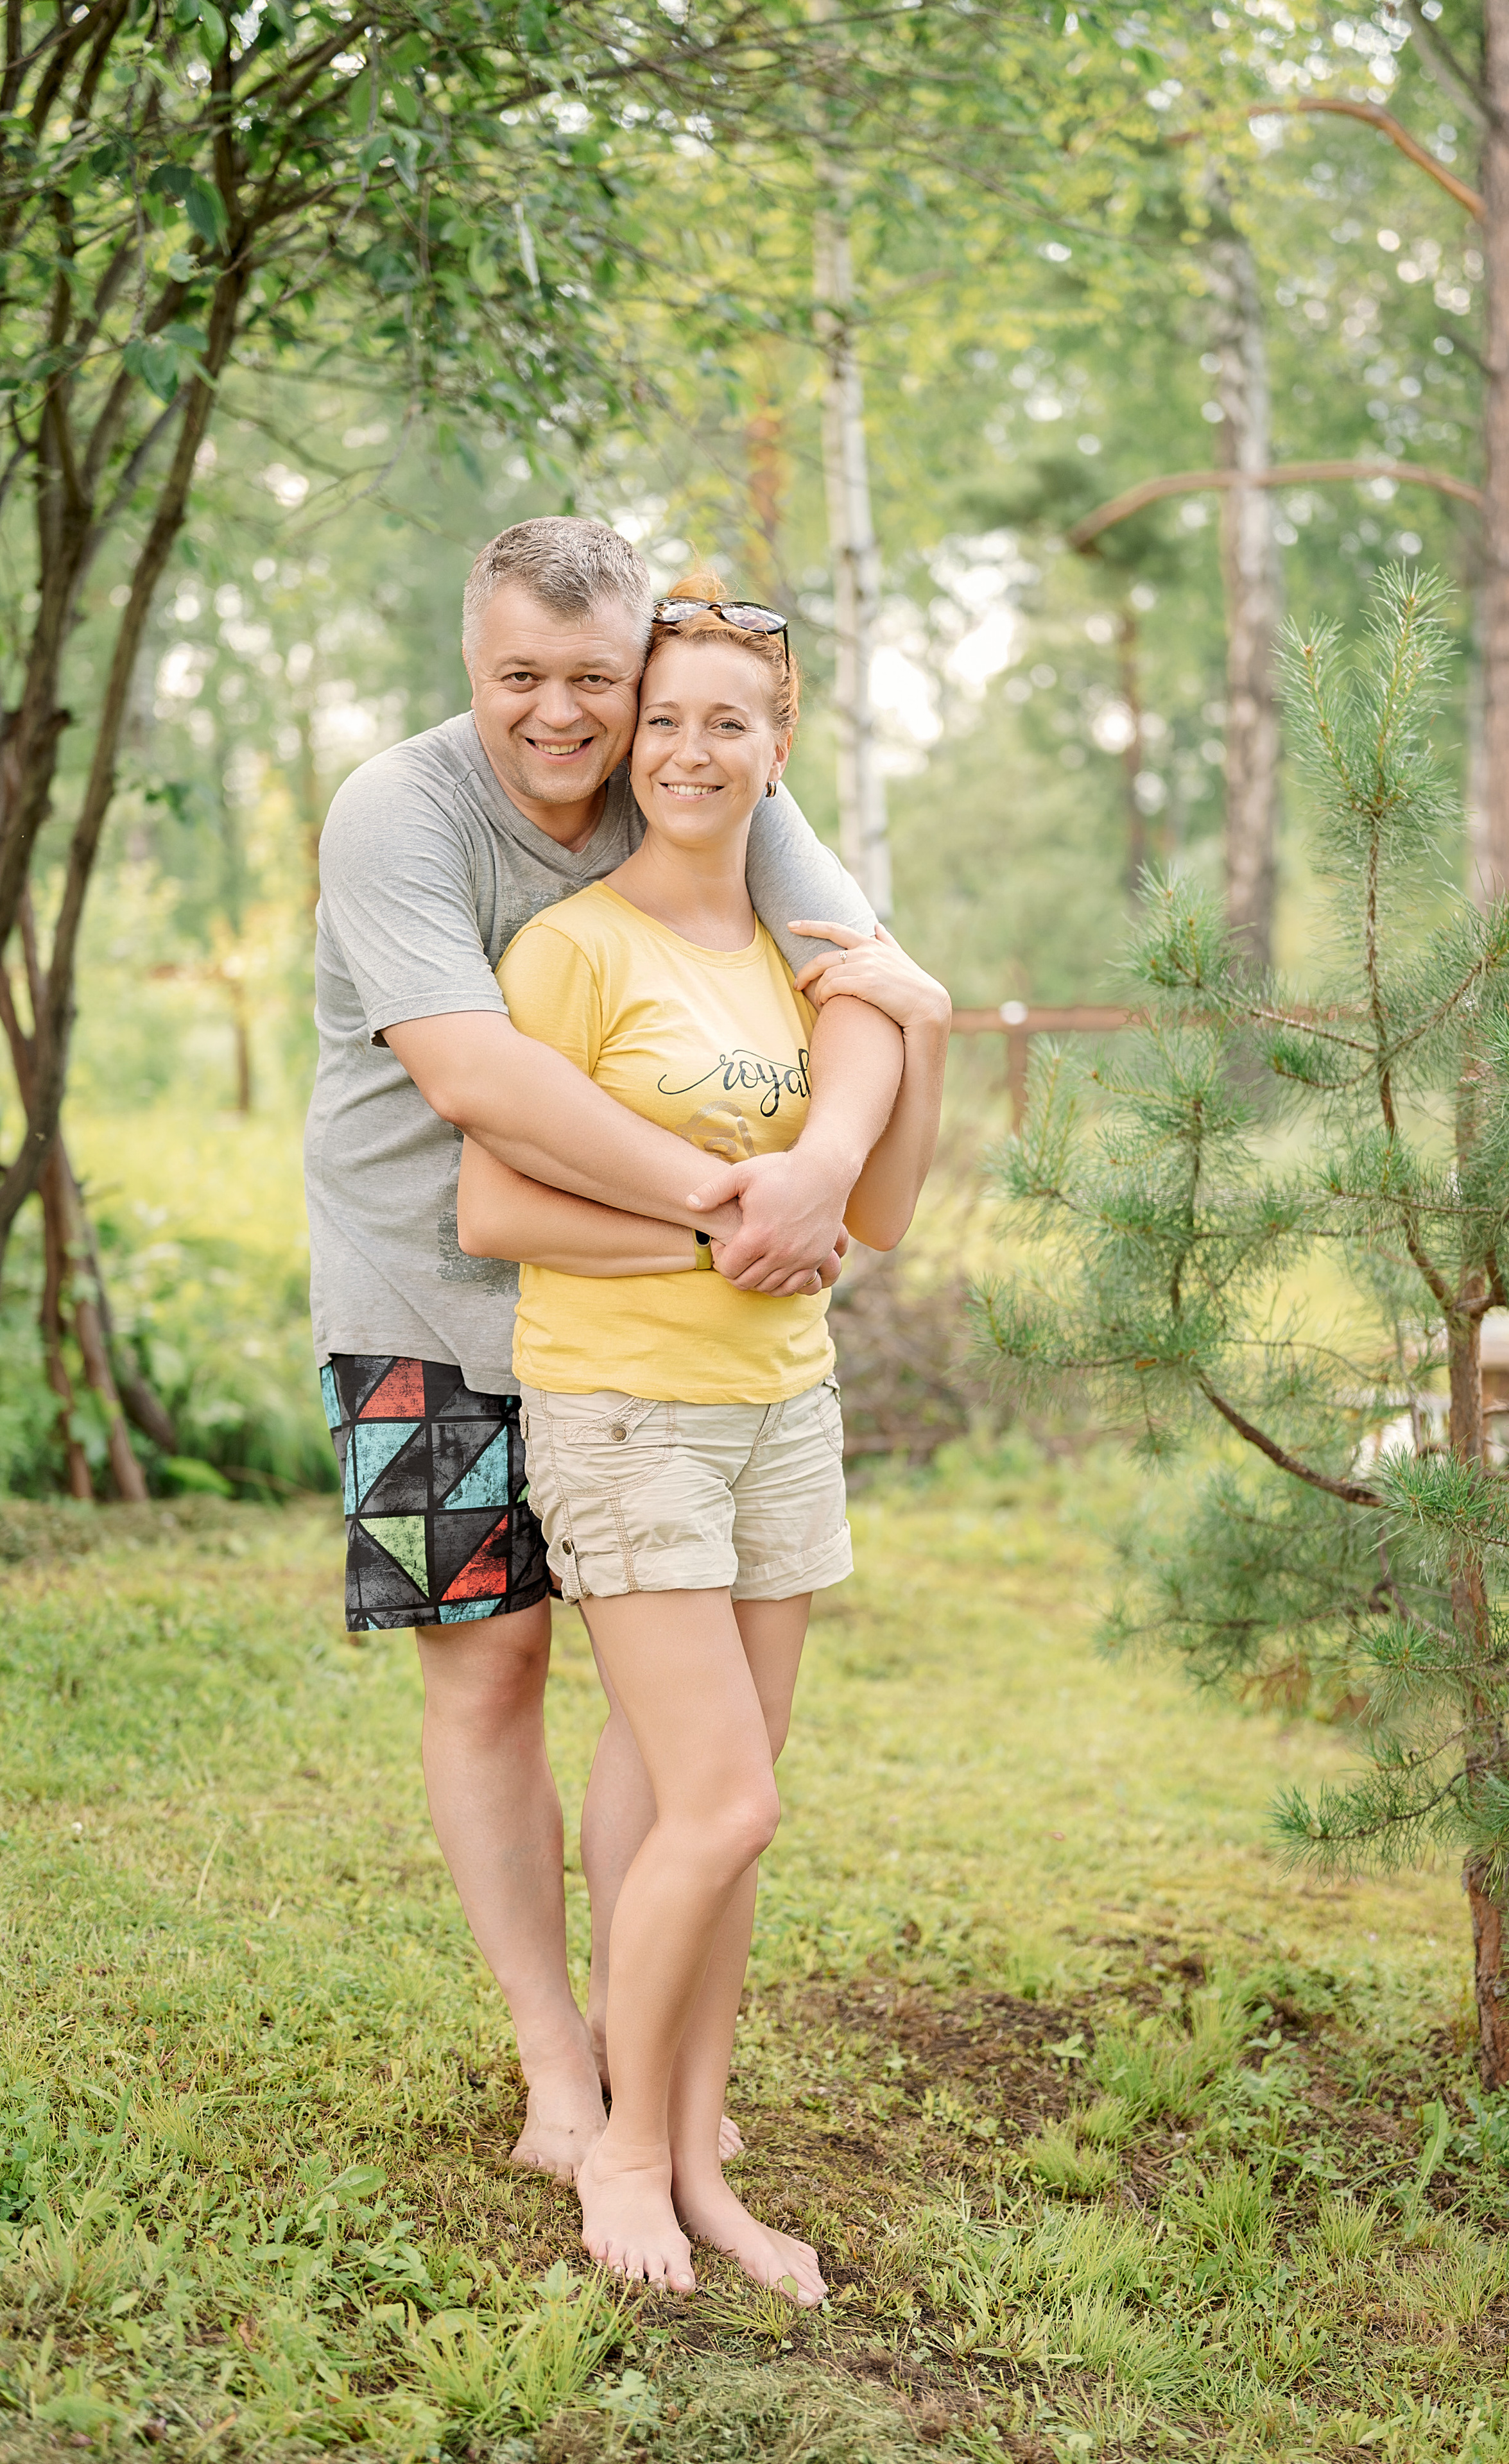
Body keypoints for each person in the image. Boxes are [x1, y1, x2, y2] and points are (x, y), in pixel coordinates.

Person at [306, 518, 925, 2183]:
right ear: (471, 661)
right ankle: (552, 2063)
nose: (564, 716)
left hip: (649, 1328)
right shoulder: (402, 814)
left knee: (669, 1719)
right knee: (492, 1663)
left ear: (644, 670)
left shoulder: (709, 771)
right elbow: (478, 1086)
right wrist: (737, 1218)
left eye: (598, 678)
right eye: (524, 676)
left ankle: (639, 2046)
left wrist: (817, 1171)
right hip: (421, 1306)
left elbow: (869, 984)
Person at [458, 574, 951, 2302]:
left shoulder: (807, 969)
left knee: (718, 1807)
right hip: (627, 1414)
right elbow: (493, 1196)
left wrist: (926, 1020)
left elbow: (876, 1209)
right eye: (660, 719)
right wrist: (710, 1238)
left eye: (724, 719)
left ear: (778, 743)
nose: (684, 747)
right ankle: (627, 2154)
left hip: (780, 1419)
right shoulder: (578, 947)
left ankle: (703, 2151)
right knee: (726, 1800)